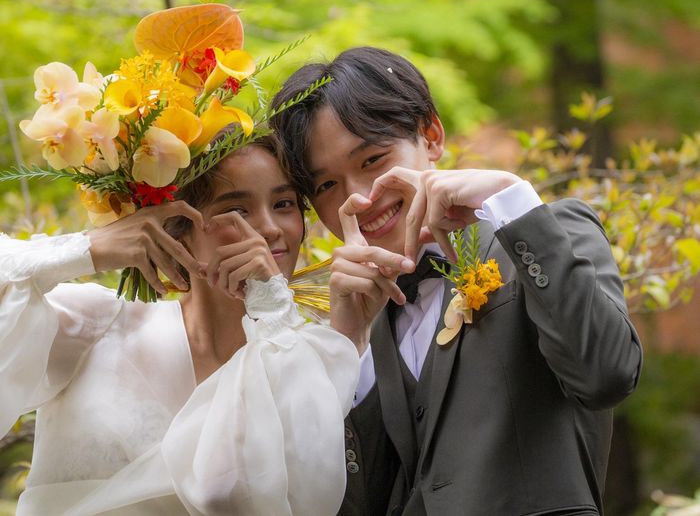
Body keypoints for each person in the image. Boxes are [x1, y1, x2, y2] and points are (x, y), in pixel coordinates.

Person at [270, 46, 643, 516]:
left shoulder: (547, 235)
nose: (359, 198)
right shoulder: (360, 320)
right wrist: (350, 347)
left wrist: (511, 200)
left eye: (372, 160)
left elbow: (608, 374)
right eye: (326, 186)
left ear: (431, 136)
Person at [0, 135, 359, 516]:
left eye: (283, 204)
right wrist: (88, 248)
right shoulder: (95, 325)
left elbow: (308, 496)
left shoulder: (302, 357)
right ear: (177, 228)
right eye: (236, 209)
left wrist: (274, 311)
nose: (269, 228)